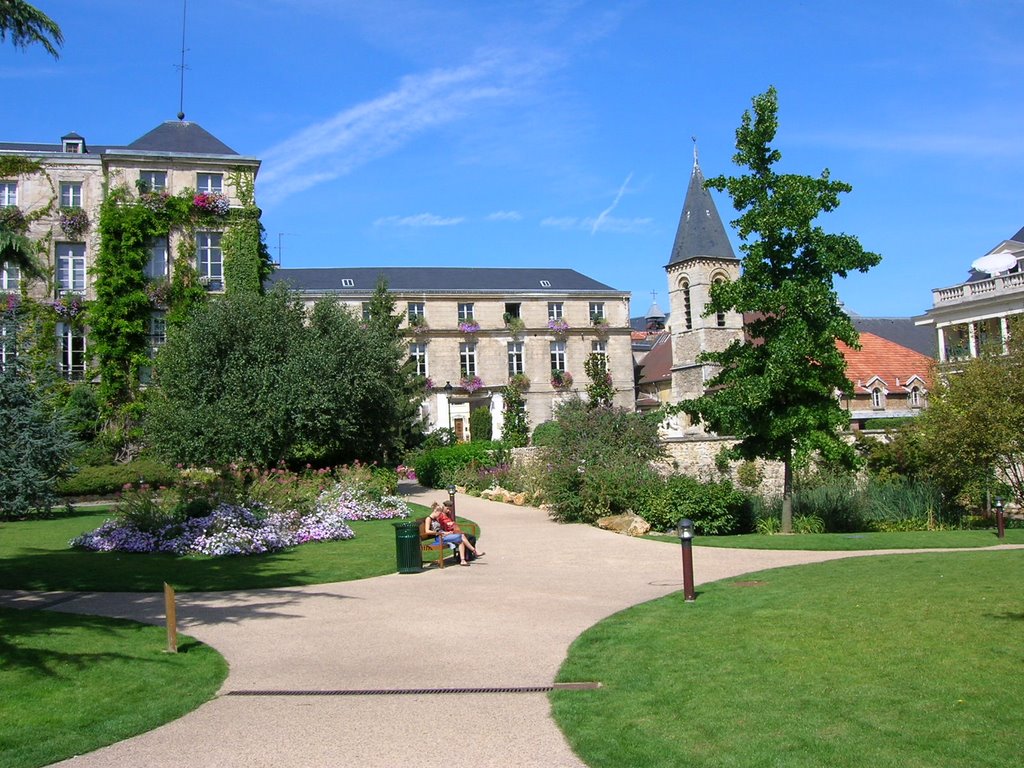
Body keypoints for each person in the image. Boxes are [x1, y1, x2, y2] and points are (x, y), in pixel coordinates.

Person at [428, 501, 483, 566]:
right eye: (447, 509)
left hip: (447, 534)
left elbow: (442, 527)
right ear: (436, 511)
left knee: (470, 537)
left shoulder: (440, 517)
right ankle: (473, 552)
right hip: (441, 537)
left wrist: (447, 531)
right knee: (461, 537)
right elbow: (429, 531)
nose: (440, 514)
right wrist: (444, 531)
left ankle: (465, 558)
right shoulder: (432, 518)